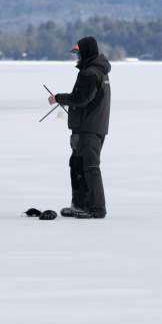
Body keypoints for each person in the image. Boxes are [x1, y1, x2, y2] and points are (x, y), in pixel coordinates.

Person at [48, 36, 111, 219]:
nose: (77, 58)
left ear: (86, 53)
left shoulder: (90, 73)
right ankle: (80, 204)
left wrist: (58, 98)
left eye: (79, 54)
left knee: (90, 167)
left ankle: (97, 208)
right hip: (90, 127)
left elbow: (81, 98)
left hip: (89, 128)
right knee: (77, 165)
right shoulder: (98, 71)